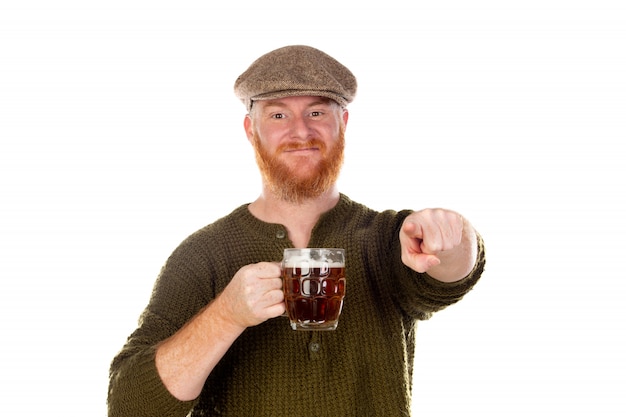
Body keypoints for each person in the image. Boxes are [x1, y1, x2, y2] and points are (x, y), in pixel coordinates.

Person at [107, 45, 486, 417]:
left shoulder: (387, 238)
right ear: (250, 130)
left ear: (344, 123)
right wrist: (225, 315)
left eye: (316, 112)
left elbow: (454, 271)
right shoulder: (204, 254)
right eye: (278, 116)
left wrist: (452, 234)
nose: (300, 131)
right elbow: (129, 406)